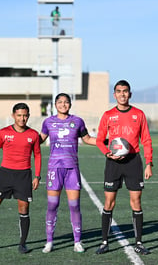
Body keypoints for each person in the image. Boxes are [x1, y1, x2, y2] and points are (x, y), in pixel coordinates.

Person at [95, 80, 153, 255]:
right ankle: (104, 241)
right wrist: (107, 153)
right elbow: (99, 139)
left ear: (130, 94)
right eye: (119, 91)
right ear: (114, 95)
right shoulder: (107, 115)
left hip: (133, 162)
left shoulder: (139, 114)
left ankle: (139, 242)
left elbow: (147, 140)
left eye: (125, 91)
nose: (122, 94)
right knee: (109, 202)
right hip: (113, 163)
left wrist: (149, 163)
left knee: (136, 202)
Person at [0, 103, 42, 254]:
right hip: (5, 174)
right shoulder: (4, 132)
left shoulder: (33, 134)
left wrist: (37, 175)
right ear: (13, 116)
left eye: (25, 115)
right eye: (19, 115)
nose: (22, 118)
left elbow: (37, 155)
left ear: (28, 116)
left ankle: (23, 243)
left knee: (24, 208)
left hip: (24, 175)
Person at [39, 93, 96, 254]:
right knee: (52, 205)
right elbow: (39, 139)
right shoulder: (48, 122)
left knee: (75, 206)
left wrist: (105, 142)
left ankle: (77, 242)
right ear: (55, 104)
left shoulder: (77, 121)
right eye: (60, 102)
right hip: (54, 169)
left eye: (66, 102)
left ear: (70, 104)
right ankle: (49, 242)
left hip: (72, 170)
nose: (63, 104)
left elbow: (87, 139)